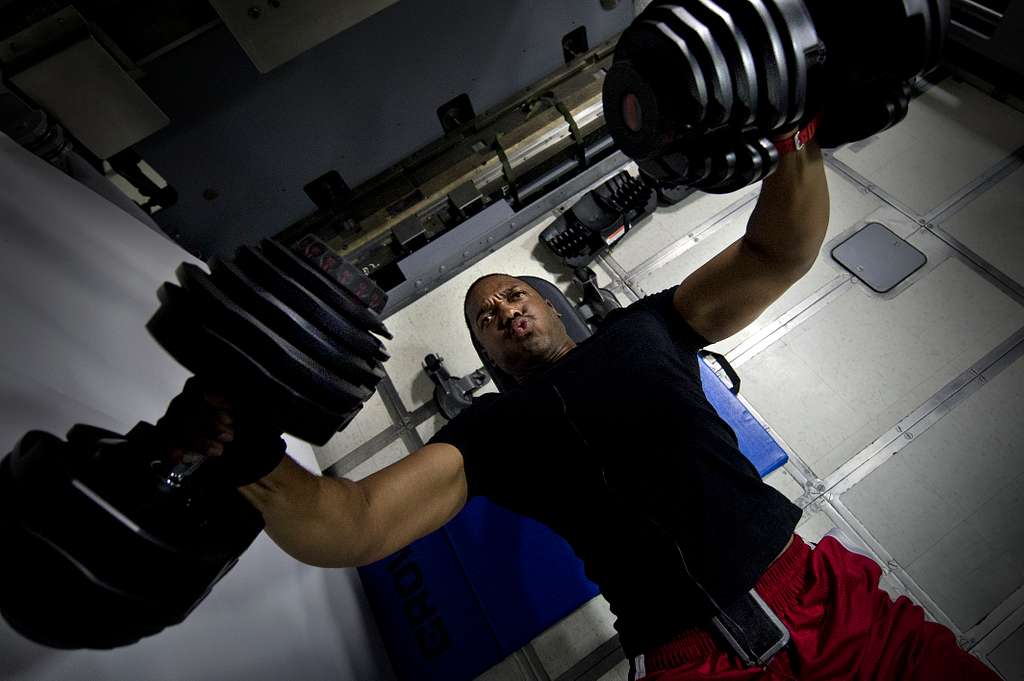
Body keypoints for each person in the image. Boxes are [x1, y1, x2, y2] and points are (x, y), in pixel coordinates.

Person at [179, 128, 997, 680]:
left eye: (508, 296)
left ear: (555, 304)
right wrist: (247, 454)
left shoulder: (652, 326)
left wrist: (796, 139)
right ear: (488, 360)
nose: (499, 311)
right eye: (484, 321)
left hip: (827, 602)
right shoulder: (488, 433)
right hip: (690, 662)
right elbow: (351, 520)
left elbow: (777, 251)